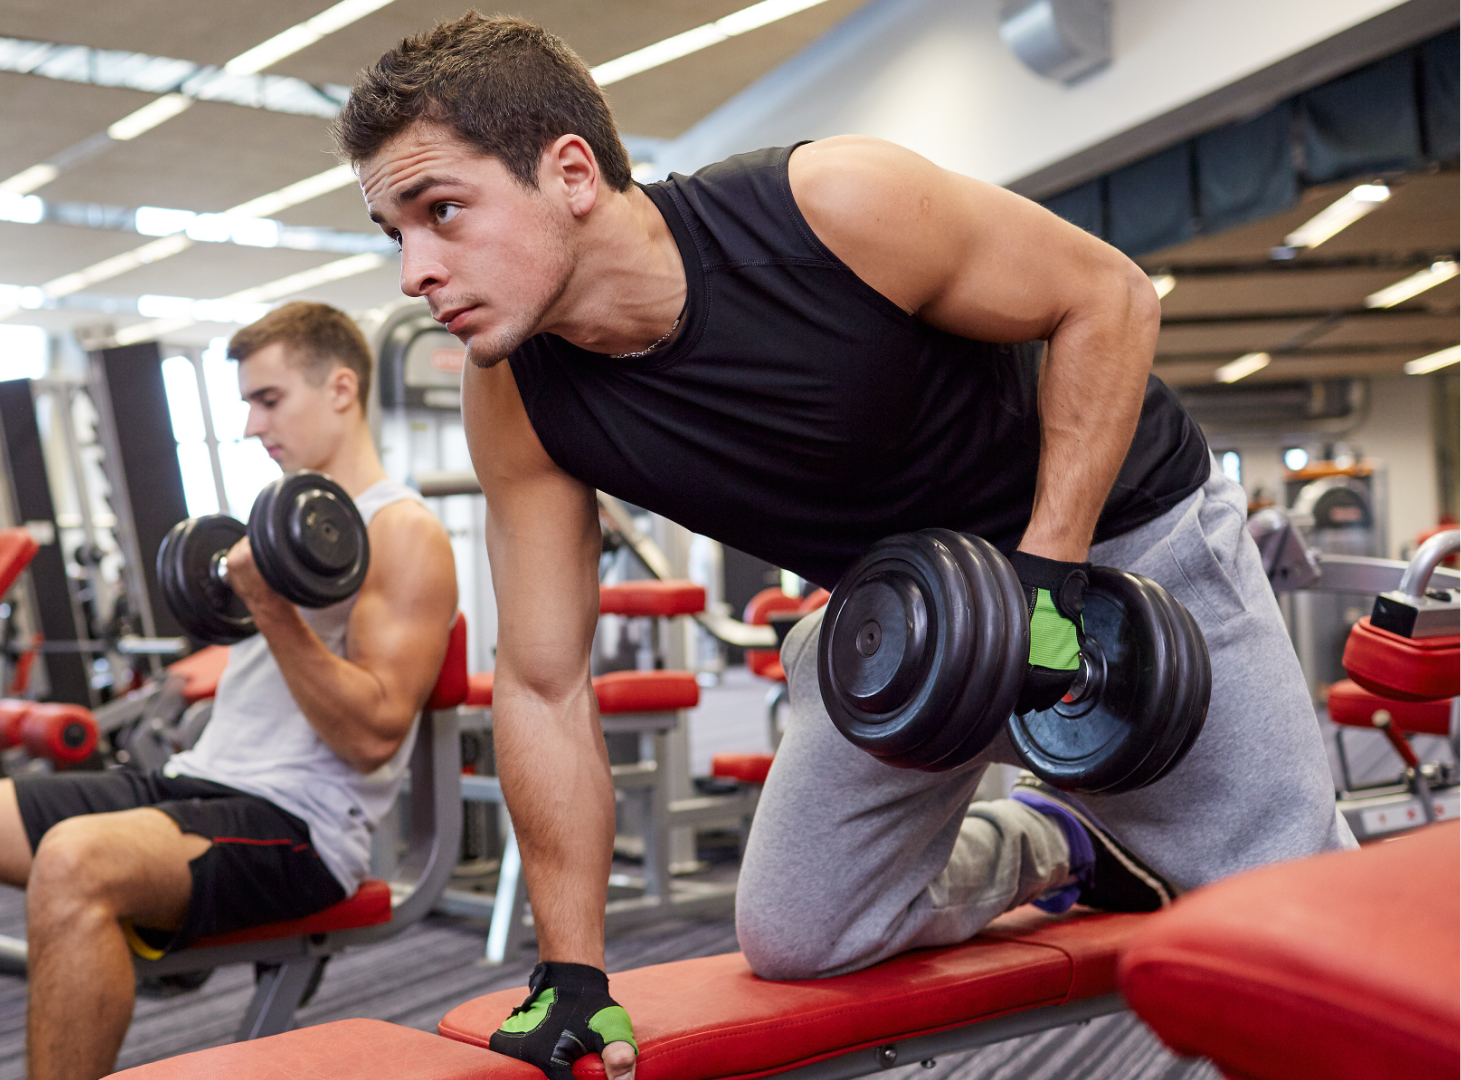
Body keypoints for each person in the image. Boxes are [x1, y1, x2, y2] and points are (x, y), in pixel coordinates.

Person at [334, 14, 1353, 1080]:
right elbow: (544, 683)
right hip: (912, 614)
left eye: (441, 212)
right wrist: (572, 973)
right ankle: (1062, 840)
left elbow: (1107, 295)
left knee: (1300, 928)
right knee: (802, 934)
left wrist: (1047, 581)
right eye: (394, 233)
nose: (414, 271)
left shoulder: (831, 208)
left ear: (572, 173)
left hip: (1118, 542)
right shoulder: (515, 399)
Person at [0, 301, 458, 1080]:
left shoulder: (402, 531)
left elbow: (374, 735)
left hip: (300, 825)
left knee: (76, 859)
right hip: (194, 782)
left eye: (269, 400)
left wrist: (269, 608)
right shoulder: (281, 525)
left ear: (341, 389)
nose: (252, 426)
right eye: (247, 404)